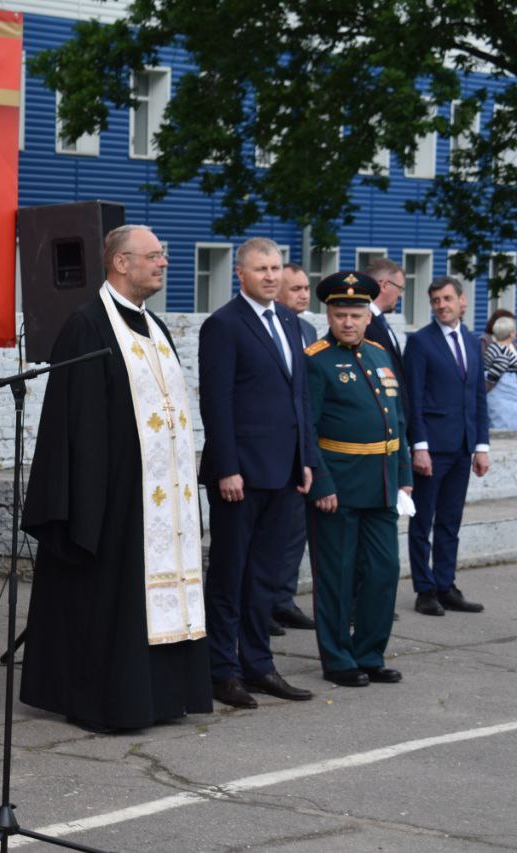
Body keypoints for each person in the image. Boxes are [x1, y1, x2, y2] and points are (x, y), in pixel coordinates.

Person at [20, 224, 211, 733]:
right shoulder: (87, 324)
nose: (163, 263)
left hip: (160, 497)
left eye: (162, 255)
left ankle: (161, 696)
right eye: (154, 255)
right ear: (121, 263)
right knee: (110, 601)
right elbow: (75, 424)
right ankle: (109, 700)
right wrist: (88, 504)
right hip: (115, 497)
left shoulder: (155, 327)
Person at [199, 237, 318, 709]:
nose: (271, 276)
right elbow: (216, 402)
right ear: (241, 274)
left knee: (265, 578)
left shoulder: (290, 322)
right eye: (261, 268)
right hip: (240, 476)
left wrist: (305, 459)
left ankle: (258, 665)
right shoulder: (224, 325)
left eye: (275, 268)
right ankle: (221, 672)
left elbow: (299, 398)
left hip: (284, 472)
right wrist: (227, 467)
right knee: (230, 575)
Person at [304, 272, 411, 688]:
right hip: (339, 488)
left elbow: (396, 420)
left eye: (355, 314)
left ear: (368, 316)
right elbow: (306, 430)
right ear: (328, 316)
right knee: (337, 576)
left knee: (384, 570)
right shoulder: (315, 360)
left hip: (382, 485)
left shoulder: (380, 354)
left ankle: (369, 653)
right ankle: (338, 659)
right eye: (339, 314)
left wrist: (403, 474)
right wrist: (321, 484)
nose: (347, 322)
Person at [403, 275, 489, 615]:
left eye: (447, 299)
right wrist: (419, 445)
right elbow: (413, 397)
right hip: (432, 447)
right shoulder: (420, 342)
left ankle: (445, 584)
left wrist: (481, 446)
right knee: (422, 521)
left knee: (450, 521)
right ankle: (425, 590)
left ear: (462, 301)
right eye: (435, 300)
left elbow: (478, 396)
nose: (441, 305)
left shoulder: (472, 341)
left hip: (463, 446)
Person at [268, 262, 318, 634]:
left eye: (306, 288)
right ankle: (262, 604)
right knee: (271, 533)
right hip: (271, 447)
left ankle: (283, 600)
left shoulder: (308, 330)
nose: (303, 295)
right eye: (295, 289)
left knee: (296, 530)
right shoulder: (264, 329)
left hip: (304, 444)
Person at [364, 259, 408, 382]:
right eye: (400, 288)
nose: (400, 295)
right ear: (384, 285)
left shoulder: (379, 320)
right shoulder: (364, 323)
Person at [483, 314, 517, 428]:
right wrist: (485, 389)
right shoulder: (503, 352)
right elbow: (494, 375)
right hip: (503, 400)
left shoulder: (493, 348)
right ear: (511, 334)